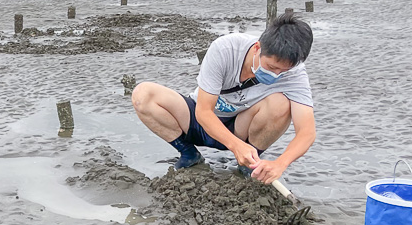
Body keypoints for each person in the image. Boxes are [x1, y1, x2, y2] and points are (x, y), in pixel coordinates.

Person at [130, 12, 316, 184]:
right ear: (258, 47)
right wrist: (235, 147)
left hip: (240, 128)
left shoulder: (294, 75)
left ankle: (247, 167)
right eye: (272, 67)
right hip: (199, 120)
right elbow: (203, 111)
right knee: (143, 94)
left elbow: (306, 133)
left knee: (281, 105)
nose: (277, 74)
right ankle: (189, 155)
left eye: (284, 71)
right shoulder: (226, 48)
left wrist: (280, 163)